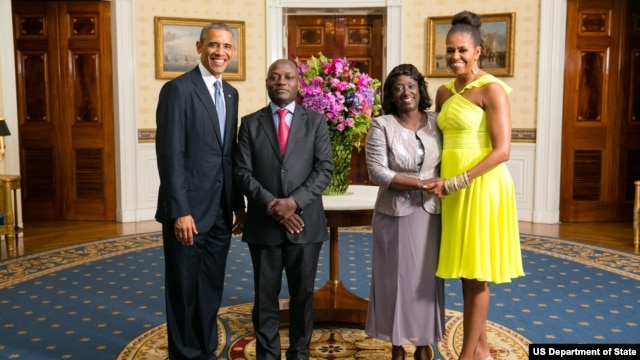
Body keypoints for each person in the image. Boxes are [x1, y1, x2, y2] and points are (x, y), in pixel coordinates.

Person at [426, 11, 525, 360]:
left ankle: (467, 356)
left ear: (479, 51)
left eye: (462, 50)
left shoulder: (492, 90)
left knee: (477, 273)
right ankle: (481, 351)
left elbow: (503, 151)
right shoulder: (442, 92)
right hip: (451, 189)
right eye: (449, 50)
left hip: (482, 187)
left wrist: (457, 181)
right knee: (465, 273)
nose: (455, 57)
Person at [155, 22, 246, 360]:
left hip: (221, 211)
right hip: (188, 213)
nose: (219, 52)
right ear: (198, 47)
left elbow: (229, 156)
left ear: (233, 52)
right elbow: (170, 155)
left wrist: (238, 205)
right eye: (213, 45)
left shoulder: (232, 94)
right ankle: (183, 354)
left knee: (209, 288)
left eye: (226, 46)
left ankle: (204, 349)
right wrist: (179, 210)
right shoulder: (178, 90)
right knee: (184, 291)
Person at [233, 59, 334, 360]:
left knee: (303, 296)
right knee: (265, 297)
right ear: (266, 83)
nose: (281, 81)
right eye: (274, 77)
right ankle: (267, 354)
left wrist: (294, 203)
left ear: (298, 83)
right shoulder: (250, 123)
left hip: (306, 224)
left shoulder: (315, 121)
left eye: (288, 76)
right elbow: (241, 172)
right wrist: (272, 205)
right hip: (264, 225)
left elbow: (324, 167)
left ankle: (299, 353)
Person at [364, 63, 445, 360]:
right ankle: (397, 345)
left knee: (426, 282)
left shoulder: (437, 121)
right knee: (394, 281)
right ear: (390, 94)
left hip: (431, 214)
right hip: (394, 214)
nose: (405, 92)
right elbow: (377, 173)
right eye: (398, 87)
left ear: (419, 89)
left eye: (411, 86)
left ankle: (424, 343)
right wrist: (420, 184)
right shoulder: (380, 125)